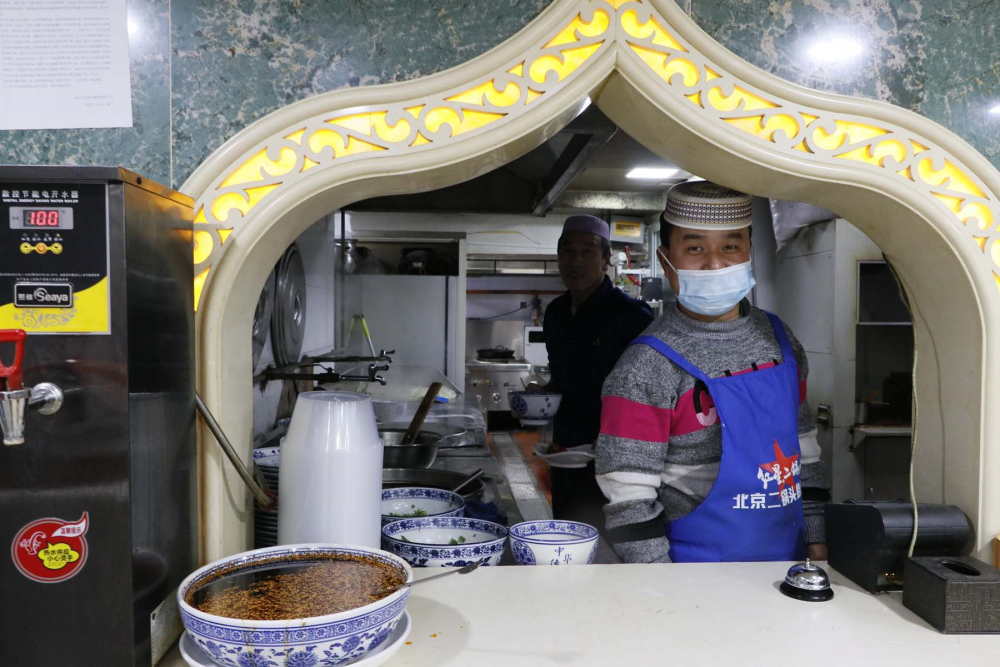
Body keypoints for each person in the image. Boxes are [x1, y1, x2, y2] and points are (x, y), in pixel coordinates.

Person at [595, 181, 830, 563]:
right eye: (695, 248)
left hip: (788, 563)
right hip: (695, 574)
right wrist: (665, 591)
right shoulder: (645, 366)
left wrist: (817, 544)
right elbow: (628, 496)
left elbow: (805, 451)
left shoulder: (780, 341)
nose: (715, 263)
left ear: (749, 251)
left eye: (730, 247)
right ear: (666, 258)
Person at [535, 214, 654, 528]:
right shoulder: (556, 313)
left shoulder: (632, 316)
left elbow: (653, 391)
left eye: (587, 251)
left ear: (605, 260)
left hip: (617, 455)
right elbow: (563, 377)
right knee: (566, 527)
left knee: (614, 538)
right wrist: (543, 397)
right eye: (568, 251)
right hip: (565, 451)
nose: (576, 261)